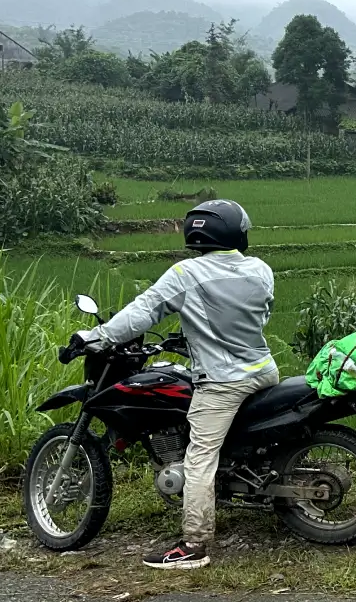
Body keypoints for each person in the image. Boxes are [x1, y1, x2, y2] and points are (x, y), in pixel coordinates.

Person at [75, 200, 276, 570]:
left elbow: (142, 312)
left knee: (198, 458)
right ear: (233, 233)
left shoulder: (186, 273)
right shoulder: (260, 270)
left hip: (222, 381)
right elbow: (254, 316)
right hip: (263, 369)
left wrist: (97, 338)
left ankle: (193, 546)